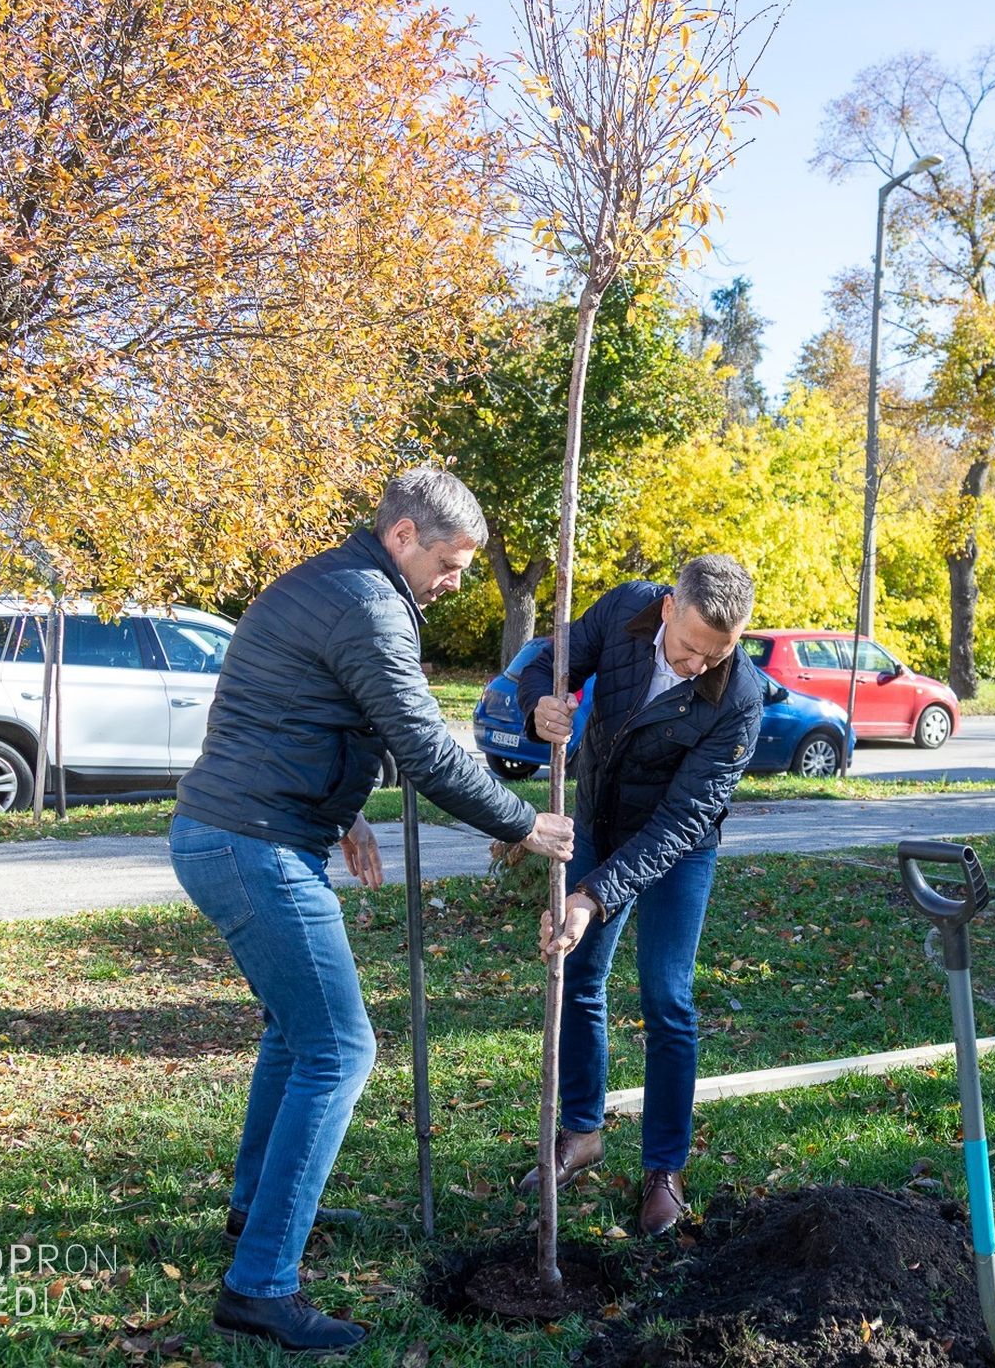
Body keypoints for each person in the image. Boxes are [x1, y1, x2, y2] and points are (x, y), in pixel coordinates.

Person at [171, 467, 573, 1356]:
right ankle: (261, 1286)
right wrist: (522, 821)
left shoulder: (333, 583)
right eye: (451, 560)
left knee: (294, 1033)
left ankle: (254, 1212)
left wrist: (345, 812)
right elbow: (426, 749)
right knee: (341, 1048)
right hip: (254, 845)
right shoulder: (369, 603)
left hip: (240, 832)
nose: (459, 580)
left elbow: (288, 707)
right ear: (402, 537)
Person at [518, 554, 763, 1237]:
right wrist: (541, 700)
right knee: (578, 971)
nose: (697, 666)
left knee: (667, 996)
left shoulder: (740, 697)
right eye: (688, 648)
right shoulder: (625, 608)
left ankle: (664, 1167)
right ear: (666, 610)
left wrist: (592, 895)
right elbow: (549, 659)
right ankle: (582, 1131)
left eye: (717, 654)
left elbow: (680, 823)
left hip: (678, 848)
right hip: (598, 817)